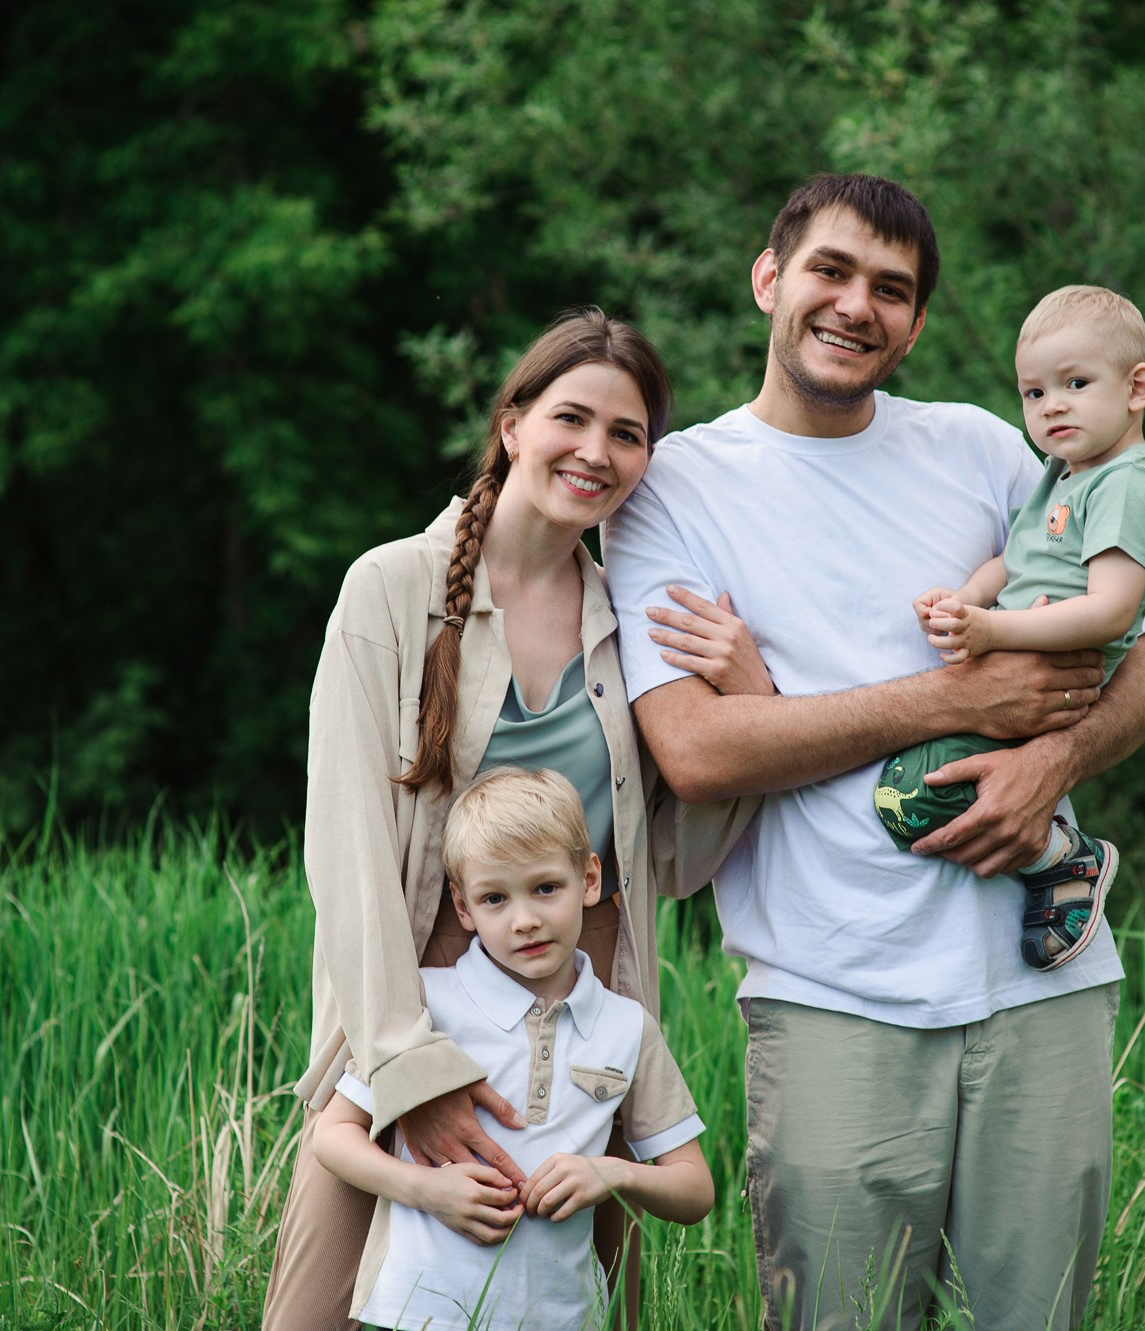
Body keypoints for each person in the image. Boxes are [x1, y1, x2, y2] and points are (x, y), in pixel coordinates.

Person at [605, 175, 1145, 1330]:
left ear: (914, 324)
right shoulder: (673, 486)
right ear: (768, 278)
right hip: (833, 990)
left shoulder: (982, 450)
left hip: (1042, 978)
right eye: (828, 270)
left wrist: (1050, 764)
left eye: (890, 288)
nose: (854, 305)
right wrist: (952, 696)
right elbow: (697, 749)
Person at [263, 308, 770, 1331]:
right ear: (511, 424)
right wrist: (411, 1068)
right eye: (570, 418)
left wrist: (752, 702)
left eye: (626, 434)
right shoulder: (390, 589)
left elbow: (669, 858)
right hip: (411, 1002)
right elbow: (348, 853)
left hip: (577, 1017)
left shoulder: (630, 619)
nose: (595, 451)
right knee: (330, 1307)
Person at [313, 766, 715, 1331]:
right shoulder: (425, 1005)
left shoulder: (627, 1027)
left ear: (589, 879)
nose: (524, 921)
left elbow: (695, 1189)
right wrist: (427, 1190)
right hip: (420, 1313)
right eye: (495, 898)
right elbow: (333, 1136)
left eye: (546, 888)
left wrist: (613, 1175)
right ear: (463, 908)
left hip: (564, 1317)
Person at [881, 284, 1145, 972]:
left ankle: (1063, 857)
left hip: (1057, 679)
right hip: (1018, 659)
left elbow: (1113, 611)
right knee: (911, 786)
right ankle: (1048, 858)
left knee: (914, 797)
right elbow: (1015, 560)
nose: (1052, 407)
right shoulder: (1063, 474)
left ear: (1137, 388)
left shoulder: (1126, 484)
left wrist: (991, 632)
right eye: (1034, 393)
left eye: (1076, 384)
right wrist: (964, 598)